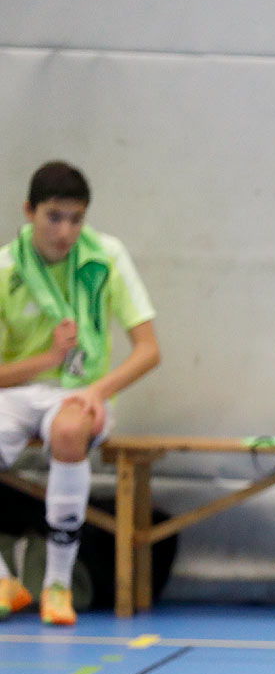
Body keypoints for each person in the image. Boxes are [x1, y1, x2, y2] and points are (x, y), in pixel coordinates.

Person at [0, 161, 161, 625]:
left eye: (76, 219)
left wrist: (99, 390)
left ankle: (56, 585)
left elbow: (149, 350)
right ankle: (5, 583)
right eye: (54, 217)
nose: (65, 230)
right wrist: (47, 360)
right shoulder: (7, 266)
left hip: (81, 389)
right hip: (19, 391)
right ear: (29, 211)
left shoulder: (106, 256)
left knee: (71, 432)